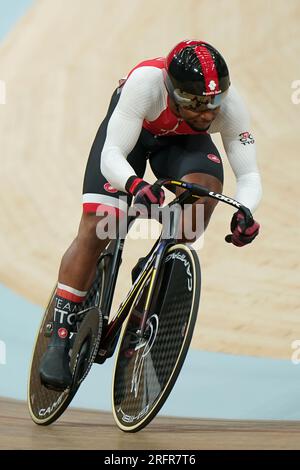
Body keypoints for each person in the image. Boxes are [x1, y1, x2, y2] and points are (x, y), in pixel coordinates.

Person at [39, 40, 261, 391]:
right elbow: (112, 154)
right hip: (132, 138)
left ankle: (154, 263)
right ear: (172, 92)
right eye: (195, 104)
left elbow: (248, 175)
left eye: (213, 104)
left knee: (201, 199)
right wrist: (134, 184)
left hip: (181, 145)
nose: (207, 113)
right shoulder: (145, 85)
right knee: (99, 226)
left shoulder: (229, 106)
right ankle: (61, 331)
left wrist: (246, 211)